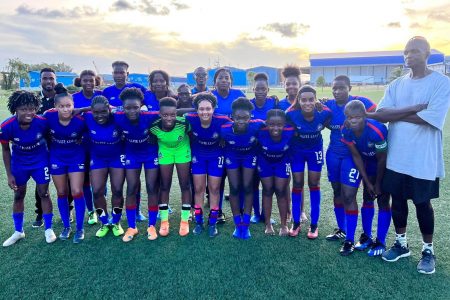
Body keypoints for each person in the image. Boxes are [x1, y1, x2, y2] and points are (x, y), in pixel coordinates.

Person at [369, 36, 450, 274]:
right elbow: (382, 113)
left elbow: (432, 119)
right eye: (406, 51)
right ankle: (402, 243)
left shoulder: (441, 83)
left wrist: (396, 114)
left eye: (414, 51)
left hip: (422, 157)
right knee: (397, 200)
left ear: (427, 54)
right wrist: (413, 109)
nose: (408, 55)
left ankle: (427, 249)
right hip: (397, 154)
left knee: (422, 203)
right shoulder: (397, 84)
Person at [323, 75, 377, 242]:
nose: (337, 91)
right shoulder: (328, 105)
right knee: (337, 192)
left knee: (349, 195)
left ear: (349, 88)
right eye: (334, 88)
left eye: (341, 88)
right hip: (333, 154)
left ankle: (357, 236)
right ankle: (342, 229)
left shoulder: (360, 102)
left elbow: (375, 114)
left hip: (352, 156)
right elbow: (320, 119)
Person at [1, 91, 57, 246]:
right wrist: (9, 174)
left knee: (44, 193)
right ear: (15, 109)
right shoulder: (6, 126)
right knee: (18, 195)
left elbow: (51, 139)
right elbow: (6, 150)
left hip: (40, 162)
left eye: (32, 108)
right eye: (23, 109)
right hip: (19, 164)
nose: (29, 112)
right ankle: (18, 231)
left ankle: (48, 229)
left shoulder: (42, 122)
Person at [341, 100, 391, 256]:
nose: (353, 120)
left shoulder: (377, 129)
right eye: (350, 117)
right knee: (367, 196)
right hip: (364, 162)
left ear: (364, 115)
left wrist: (377, 183)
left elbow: (382, 158)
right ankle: (366, 237)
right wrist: (367, 182)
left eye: (357, 117)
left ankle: (380, 241)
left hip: (381, 164)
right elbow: (356, 155)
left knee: (382, 198)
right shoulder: (346, 129)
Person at [113, 88, 160, 242]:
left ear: (141, 106)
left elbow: (173, 110)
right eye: (128, 108)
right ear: (122, 107)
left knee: (152, 188)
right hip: (131, 155)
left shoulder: (150, 116)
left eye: (135, 107)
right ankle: (132, 226)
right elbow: (96, 111)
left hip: (150, 154)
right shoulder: (118, 117)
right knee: (132, 187)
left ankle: (151, 225)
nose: (132, 111)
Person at [286, 85, 331, 239]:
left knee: (314, 184)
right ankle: (296, 222)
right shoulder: (291, 114)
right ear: (298, 100)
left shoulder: (323, 112)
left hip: (315, 151)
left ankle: (314, 225)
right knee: (297, 184)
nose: (307, 103)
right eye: (303, 100)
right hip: (297, 151)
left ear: (315, 100)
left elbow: (328, 118)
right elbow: (287, 123)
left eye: (311, 100)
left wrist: (322, 105)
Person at [44, 84, 87, 243]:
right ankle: (66, 226)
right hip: (57, 158)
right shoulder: (48, 116)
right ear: (55, 107)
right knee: (62, 192)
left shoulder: (81, 120)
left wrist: (82, 109)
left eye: (68, 106)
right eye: (61, 106)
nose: (65, 109)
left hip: (76, 157)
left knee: (76, 191)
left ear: (73, 106)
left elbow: (102, 110)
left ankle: (80, 228)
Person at [185, 93, 231, 237]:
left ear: (213, 109)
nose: (205, 112)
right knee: (198, 188)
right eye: (201, 109)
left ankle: (212, 223)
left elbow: (238, 126)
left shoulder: (222, 119)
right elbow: (175, 114)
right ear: (196, 110)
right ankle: (199, 222)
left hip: (216, 156)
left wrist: (225, 140)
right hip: (198, 156)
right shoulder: (189, 118)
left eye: (208, 109)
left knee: (214, 188)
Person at [220, 98, 264, 239]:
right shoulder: (224, 129)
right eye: (238, 117)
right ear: (232, 117)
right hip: (232, 156)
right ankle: (237, 223)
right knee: (234, 188)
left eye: (245, 117)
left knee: (247, 187)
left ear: (251, 116)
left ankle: (246, 223)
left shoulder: (257, 125)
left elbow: (278, 121)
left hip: (249, 156)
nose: (241, 121)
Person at [84, 95, 126, 238]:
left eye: (103, 111)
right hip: (98, 159)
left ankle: (116, 222)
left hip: (116, 158)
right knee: (96, 191)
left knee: (118, 190)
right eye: (96, 112)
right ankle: (104, 222)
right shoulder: (87, 118)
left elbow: (127, 113)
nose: (100, 115)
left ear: (109, 109)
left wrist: (114, 109)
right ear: (91, 111)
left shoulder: (117, 117)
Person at [150, 97, 192, 237]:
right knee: (164, 186)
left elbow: (193, 135)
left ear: (176, 114)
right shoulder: (154, 127)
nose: (169, 118)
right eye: (165, 115)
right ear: (160, 114)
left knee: (185, 185)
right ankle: (164, 221)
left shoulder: (184, 123)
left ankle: (184, 221)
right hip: (165, 152)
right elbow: (151, 140)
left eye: (173, 115)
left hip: (182, 150)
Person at [212, 68, 246, 223]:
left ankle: (240, 211)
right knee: (218, 179)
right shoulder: (211, 96)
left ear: (231, 81)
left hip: (236, 144)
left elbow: (247, 112)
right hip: (216, 145)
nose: (224, 80)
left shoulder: (238, 94)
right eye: (221, 78)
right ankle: (217, 211)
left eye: (227, 78)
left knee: (237, 181)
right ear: (215, 81)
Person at [256, 109, 293, 235]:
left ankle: (283, 225)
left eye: (279, 124)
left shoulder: (291, 131)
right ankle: (268, 224)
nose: (275, 128)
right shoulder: (260, 131)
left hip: (282, 162)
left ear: (285, 124)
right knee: (267, 190)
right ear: (266, 123)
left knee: (281, 191)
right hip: (264, 162)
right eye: (271, 124)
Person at [73, 70, 103, 225]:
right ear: (80, 81)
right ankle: (91, 211)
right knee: (85, 180)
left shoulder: (100, 96)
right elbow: (68, 114)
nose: (88, 83)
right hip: (80, 144)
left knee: (101, 180)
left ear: (96, 81)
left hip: (98, 142)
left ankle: (101, 209)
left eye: (91, 80)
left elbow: (109, 109)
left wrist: (84, 109)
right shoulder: (74, 98)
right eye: (85, 80)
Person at [249, 73, 278, 224]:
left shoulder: (273, 103)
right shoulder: (248, 104)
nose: (260, 91)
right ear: (253, 89)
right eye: (257, 88)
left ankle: (266, 214)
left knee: (268, 184)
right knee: (254, 183)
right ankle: (256, 213)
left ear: (268, 89)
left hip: (269, 150)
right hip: (253, 149)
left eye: (263, 88)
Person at [33, 68, 57, 228]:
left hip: (59, 145)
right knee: (41, 181)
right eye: (45, 78)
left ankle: (68, 210)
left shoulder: (61, 97)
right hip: (40, 148)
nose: (48, 81)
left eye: (51, 78)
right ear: (40, 80)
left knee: (66, 179)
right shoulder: (34, 100)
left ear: (55, 80)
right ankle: (40, 213)